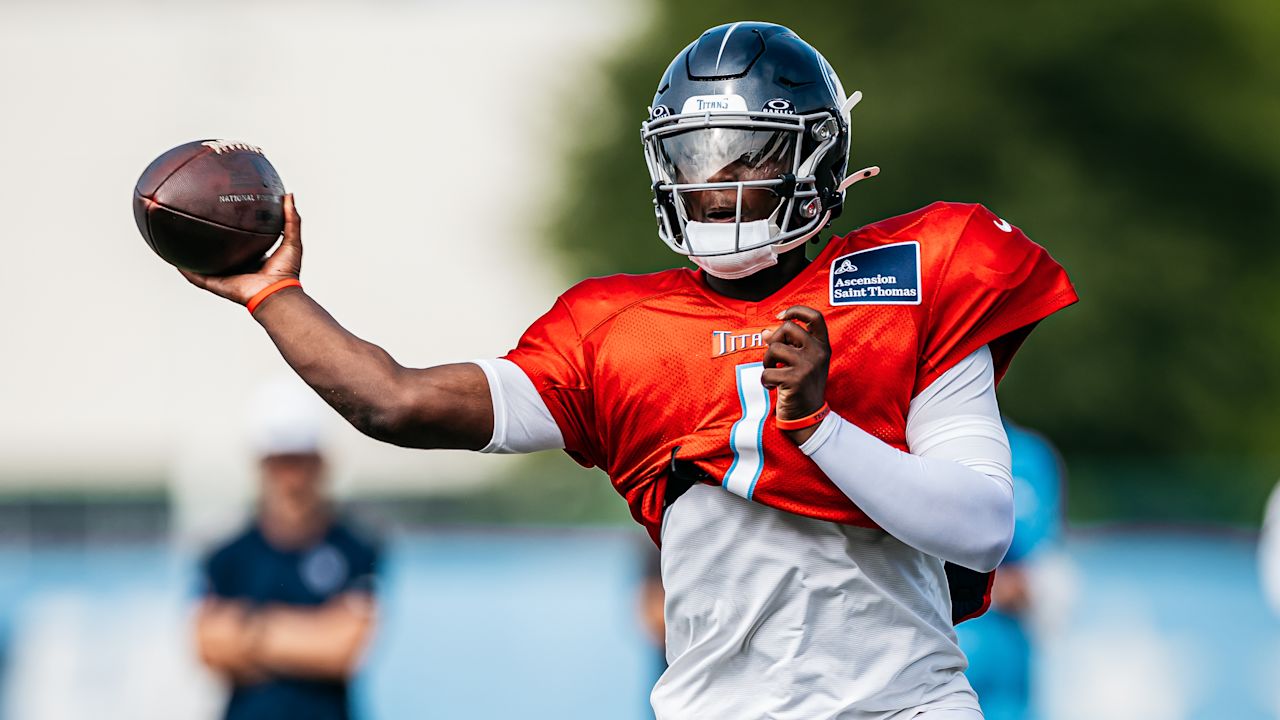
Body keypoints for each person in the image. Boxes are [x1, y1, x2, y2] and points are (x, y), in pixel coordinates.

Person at [179, 22, 1076, 719]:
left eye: (741, 158)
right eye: (692, 160)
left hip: (904, 706)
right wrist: (274, 294)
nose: (711, 187)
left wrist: (818, 424)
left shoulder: (911, 272)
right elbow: (394, 400)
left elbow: (982, 527)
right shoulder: (614, 331)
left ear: (814, 159)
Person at [195, 379, 380, 720]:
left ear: (322, 463)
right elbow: (208, 647)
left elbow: (342, 650)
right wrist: (311, 636)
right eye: (280, 462)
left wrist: (247, 630)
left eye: (301, 461)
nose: (291, 478)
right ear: (261, 465)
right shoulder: (227, 553)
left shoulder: (355, 548)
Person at [955, 419, 1066, 720]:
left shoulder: (1030, 456)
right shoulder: (910, 440)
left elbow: (1043, 580)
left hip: (1007, 670)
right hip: (936, 665)